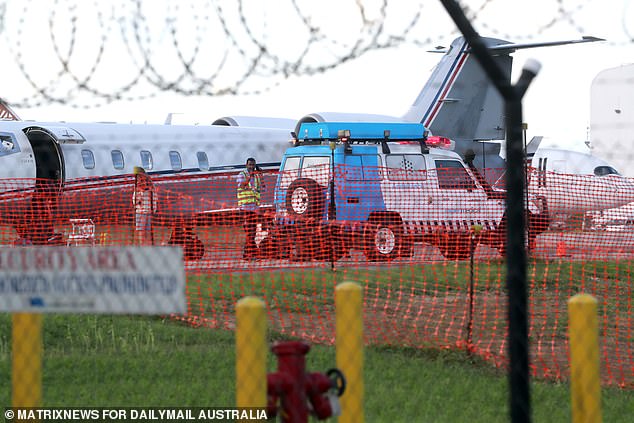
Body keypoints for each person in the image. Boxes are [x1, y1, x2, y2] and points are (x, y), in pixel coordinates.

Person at [236, 157, 262, 259]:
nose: (251, 167)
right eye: (250, 165)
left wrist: (261, 175)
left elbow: (262, 188)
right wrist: (249, 177)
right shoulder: (242, 175)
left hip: (254, 209)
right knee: (249, 231)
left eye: (253, 165)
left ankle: (248, 254)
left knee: (253, 232)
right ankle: (251, 253)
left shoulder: (256, 177)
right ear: (246, 165)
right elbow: (242, 186)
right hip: (244, 208)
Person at [132, 166, 157, 245]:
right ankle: (142, 244)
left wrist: (154, 208)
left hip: (148, 211)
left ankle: (146, 244)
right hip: (141, 211)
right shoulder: (138, 189)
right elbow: (134, 200)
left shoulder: (150, 188)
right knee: (141, 230)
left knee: (147, 230)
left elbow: (154, 198)